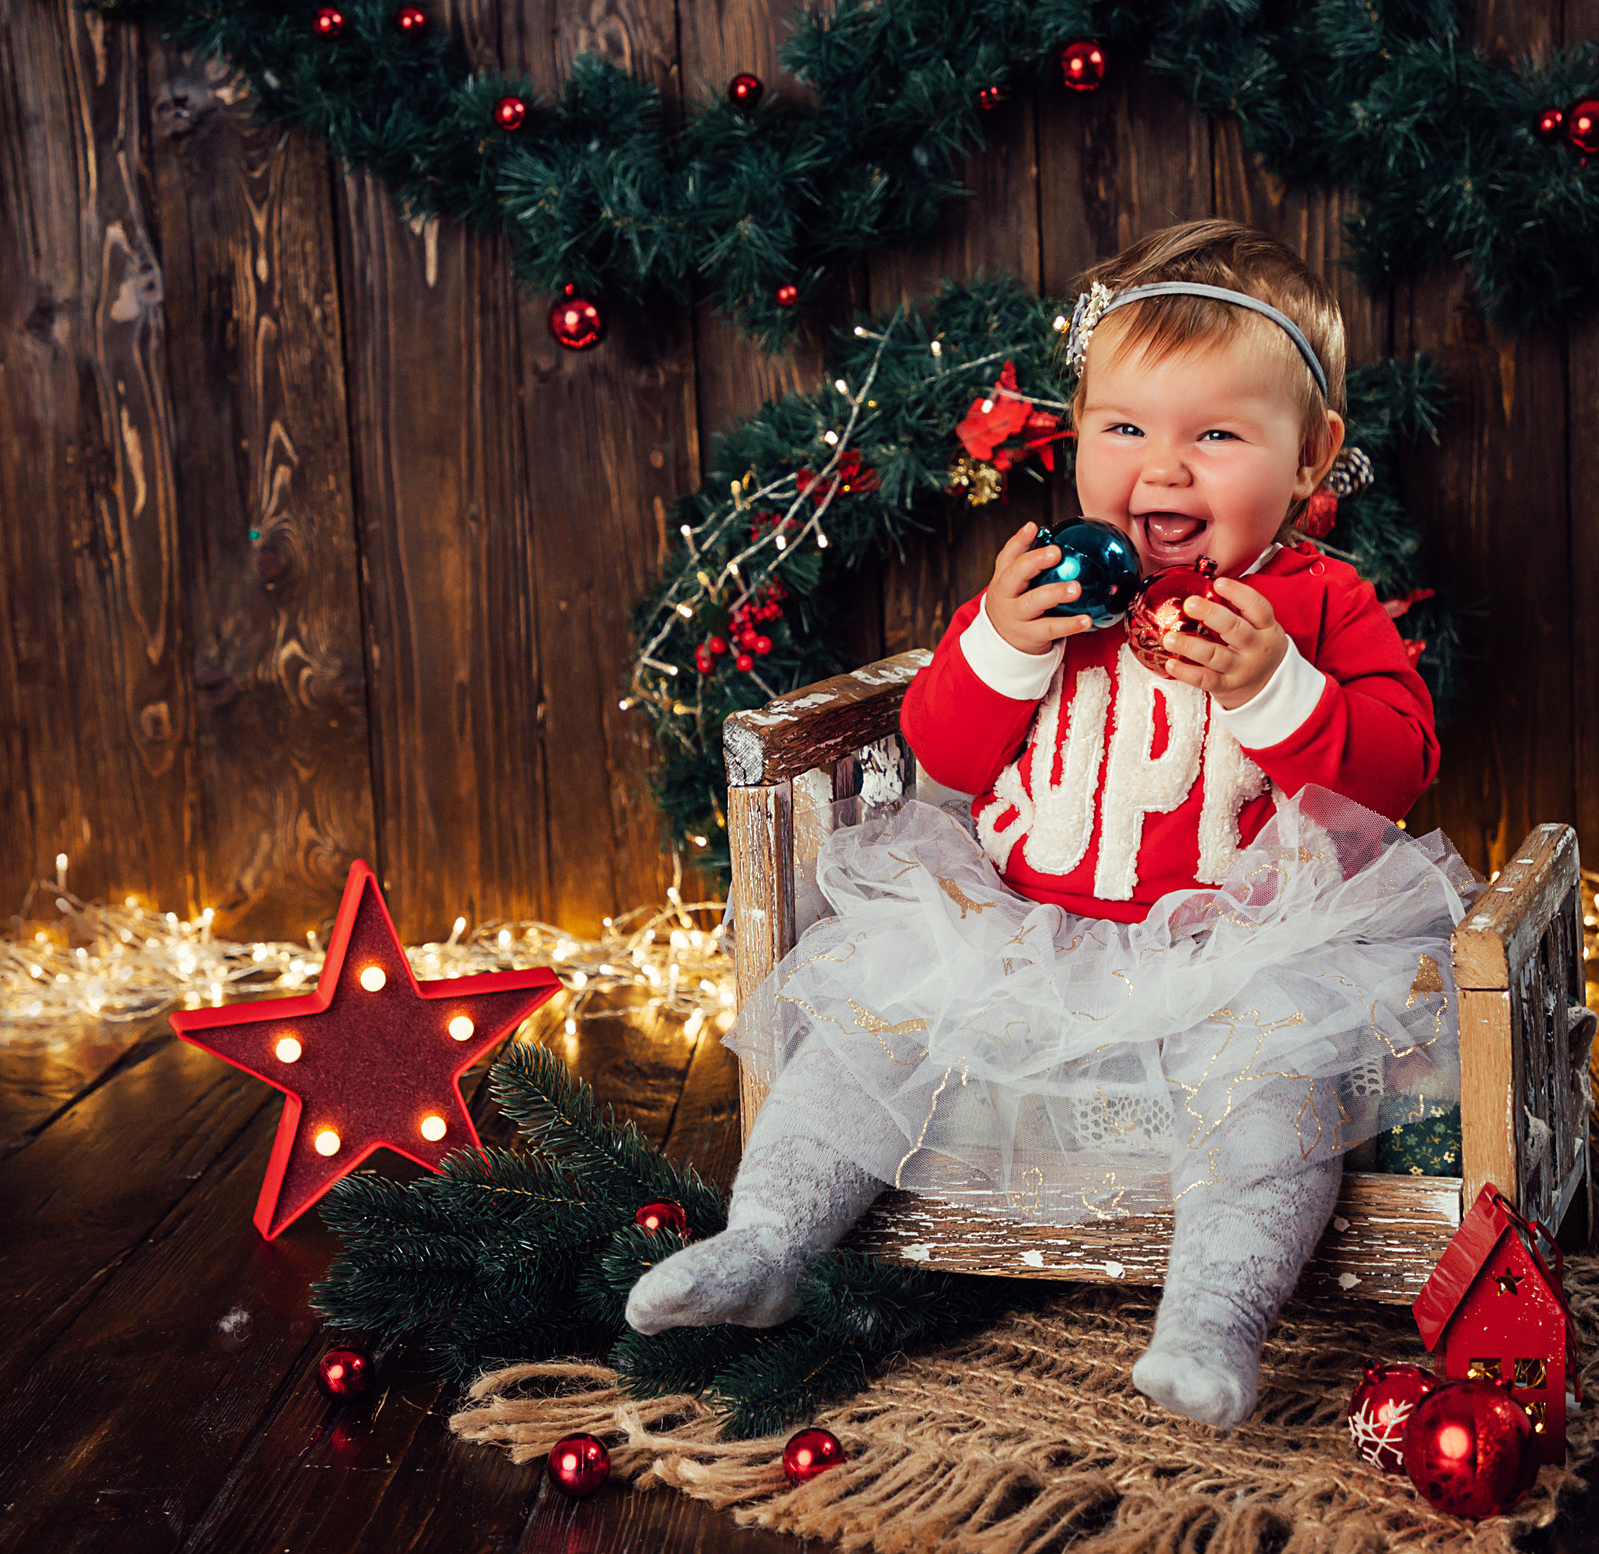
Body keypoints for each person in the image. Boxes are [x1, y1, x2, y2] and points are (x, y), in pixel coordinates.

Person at [627, 220, 1478, 1427]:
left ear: (1312, 458)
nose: (1164, 469)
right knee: (871, 1025)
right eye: (1124, 428)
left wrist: (1272, 686)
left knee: (1275, 1085)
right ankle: (763, 1240)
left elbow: (1396, 768)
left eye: (1217, 435)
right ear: (1077, 437)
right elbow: (949, 750)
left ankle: (1211, 1324)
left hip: (1241, 947)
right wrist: (1002, 646)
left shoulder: (1314, 602)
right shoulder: (1046, 588)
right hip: (1023, 926)